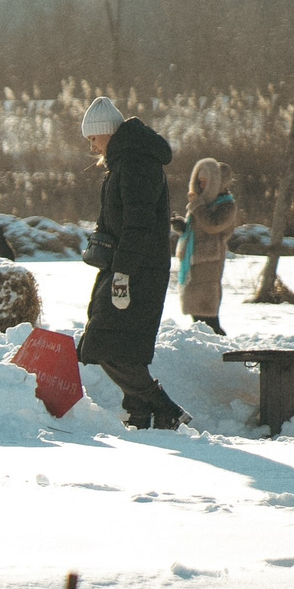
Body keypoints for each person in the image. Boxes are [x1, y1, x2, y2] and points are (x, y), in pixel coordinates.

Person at [76, 95, 187, 429]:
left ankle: (164, 408)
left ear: (106, 132)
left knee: (108, 345)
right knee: (121, 345)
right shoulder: (128, 161)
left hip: (137, 269)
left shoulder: (136, 164)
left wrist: (123, 273)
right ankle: (140, 414)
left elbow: (138, 225)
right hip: (131, 266)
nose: (93, 146)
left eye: (93, 138)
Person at [175, 157, 239, 335]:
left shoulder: (227, 205)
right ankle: (211, 346)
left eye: (205, 182)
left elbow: (212, 225)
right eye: (199, 182)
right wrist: (182, 225)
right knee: (197, 312)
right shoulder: (205, 203)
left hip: (209, 264)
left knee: (207, 314)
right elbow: (197, 229)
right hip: (195, 262)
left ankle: (220, 347)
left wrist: (196, 205)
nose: (201, 186)